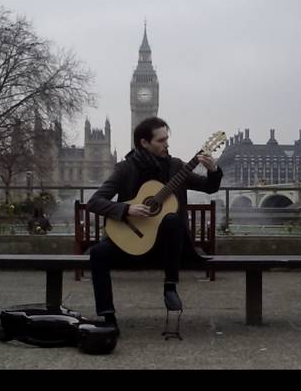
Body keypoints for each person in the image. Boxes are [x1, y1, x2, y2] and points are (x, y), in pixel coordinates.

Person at [86, 117, 223, 334]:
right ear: (144, 143)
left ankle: (170, 287)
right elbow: (95, 202)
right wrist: (126, 209)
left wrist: (214, 170)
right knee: (98, 253)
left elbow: (209, 187)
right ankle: (107, 317)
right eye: (161, 140)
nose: (166, 144)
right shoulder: (125, 169)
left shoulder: (177, 167)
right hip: (132, 243)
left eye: (167, 139)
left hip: (168, 250)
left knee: (171, 220)